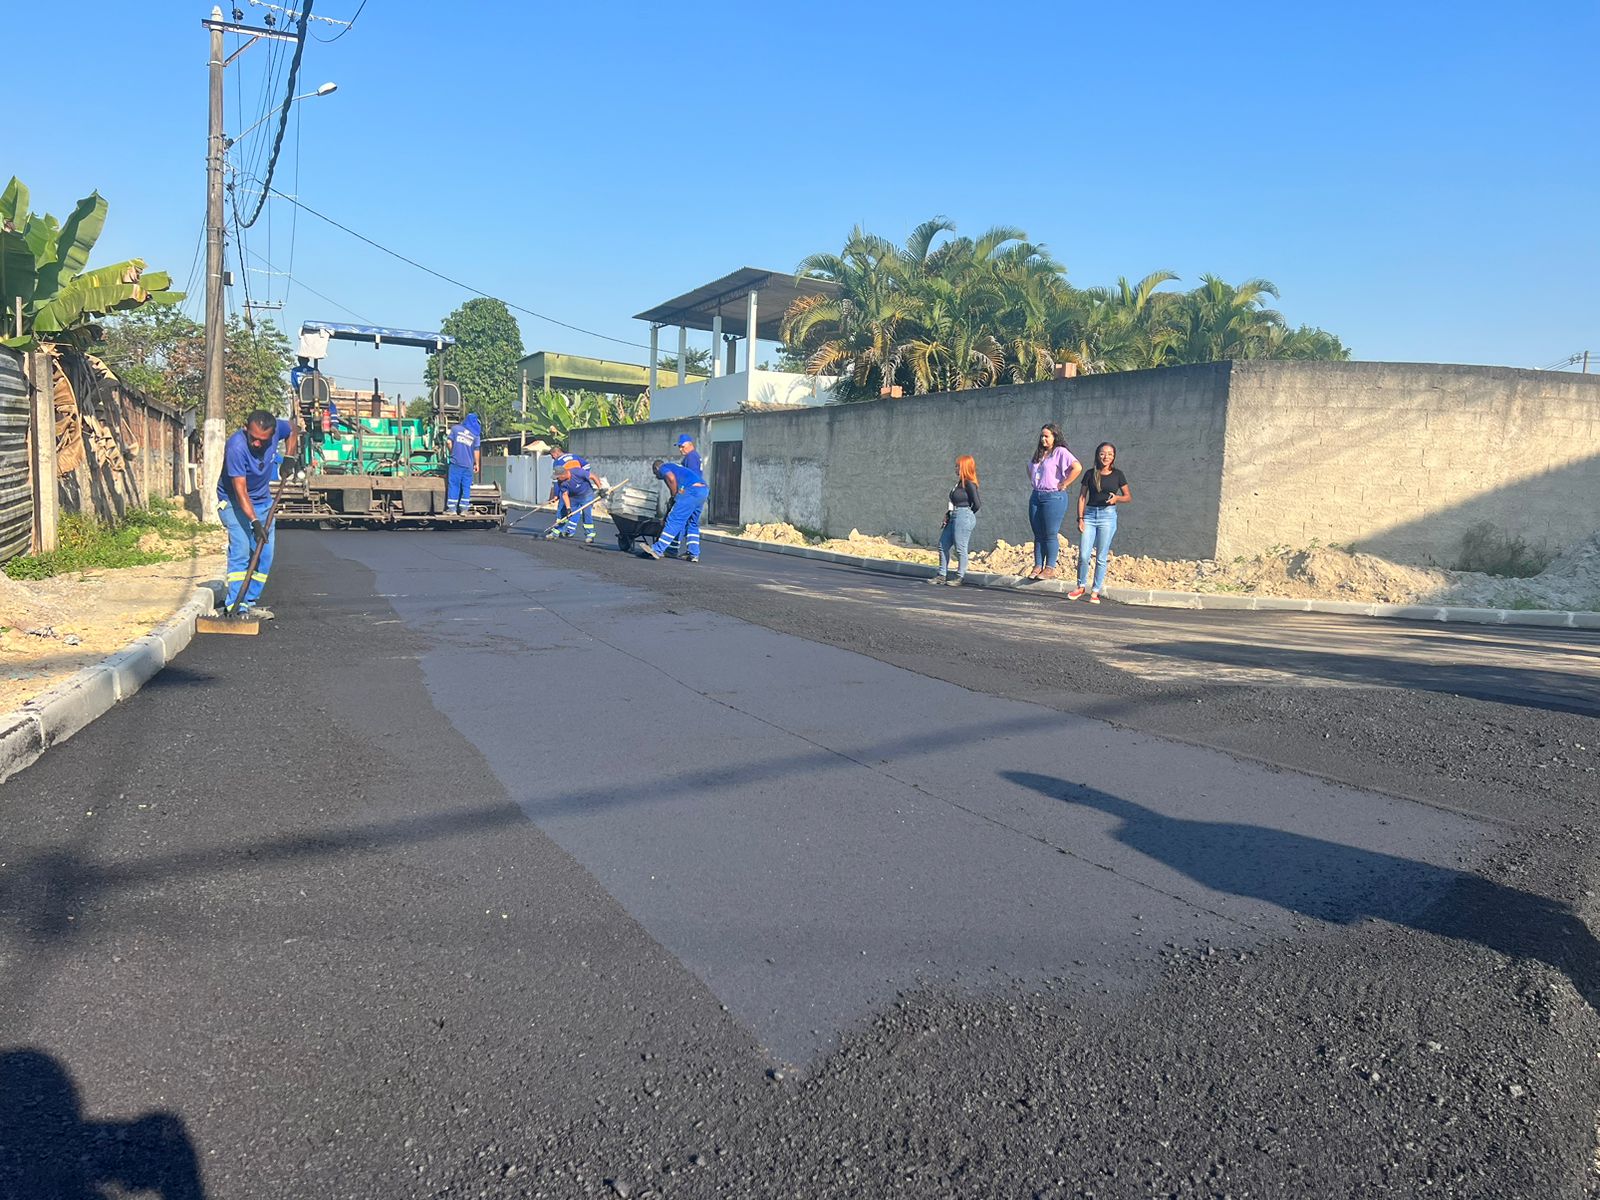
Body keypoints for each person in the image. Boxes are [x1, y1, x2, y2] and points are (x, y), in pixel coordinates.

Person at [218, 408, 298, 620]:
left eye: (263, 440)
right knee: (242, 550)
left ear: (272, 434)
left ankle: (249, 601)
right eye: (253, 438)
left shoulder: (278, 429)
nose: (257, 444)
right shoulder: (236, 447)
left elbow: (293, 429)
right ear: (245, 429)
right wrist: (254, 522)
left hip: (263, 502)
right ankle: (235, 606)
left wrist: (289, 457)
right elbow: (240, 490)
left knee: (265, 554)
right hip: (234, 502)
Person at [1070, 441, 1130, 603]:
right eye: (1103, 453)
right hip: (1090, 516)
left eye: (1110, 454)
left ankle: (1095, 590)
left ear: (1114, 457)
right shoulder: (1090, 474)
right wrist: (1080, 518)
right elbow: (1082, 497)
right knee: (1084, 555)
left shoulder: (1118, 475)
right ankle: (1081, 586)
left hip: (1107, 517)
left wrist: (1117, 498)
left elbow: (1128, 496)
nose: (1106, 457)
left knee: (1101, 557)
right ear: (1097, 455)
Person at [1025, 422, 1081, 580]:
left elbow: (1077, 467)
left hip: (1053, 497)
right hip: (1037, 495)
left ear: (1054, 437)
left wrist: (1065, 483)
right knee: (1038, 533)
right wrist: (1035, 481)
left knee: (1050, 533)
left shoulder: (1060, 452)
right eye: (1041, 436)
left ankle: (1050, 568)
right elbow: (1029, 467)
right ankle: (1038, 565)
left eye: (1046, 436)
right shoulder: (1039, 454)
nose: (1043, 439)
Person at [637, 458, 707, 562]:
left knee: (674, 520)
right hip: (703, 490)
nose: (656, 476)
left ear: (656, 468)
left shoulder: (663, 467)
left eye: (655, 473)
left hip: (690, 491)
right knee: (692, 523)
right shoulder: (675, 467)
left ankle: (657, 549)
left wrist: (675, 496)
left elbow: (671, 478)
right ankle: (692, 553)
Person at [931, 454, 980, 586]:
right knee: (943, 545)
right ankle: (942, 575)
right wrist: (948, 514)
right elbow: (954, 502)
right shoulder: (958, 484)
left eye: (958, 466)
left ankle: (960, 576)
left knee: (960, 547)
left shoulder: (969, 484)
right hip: (953, 515)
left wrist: (966, 515)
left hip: (963, 515)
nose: (956, 468)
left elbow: (977, 504)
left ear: (964, 467)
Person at [553, 458, 600, 542]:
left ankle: (590, 535)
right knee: (566, 514)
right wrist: (568, 508)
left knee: (586, 513)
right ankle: (556, 532)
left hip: (586, 495)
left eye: (558, 477)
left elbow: (593, 476)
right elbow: (565, 495)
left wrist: (601, 489)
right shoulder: (561, 482)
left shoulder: (577, 472)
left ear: (563, 475)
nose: (557, 479)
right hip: (573, 497)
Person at [445, 412, 482, 515]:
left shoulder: (455, 429)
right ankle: (464, 509)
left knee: (454, 485)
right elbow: (476, 451)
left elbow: (448, 442)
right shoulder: (476, 435)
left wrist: (452, 452)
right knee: (466, 486)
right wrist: (477, 464)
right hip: (468, 465)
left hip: (456, 463)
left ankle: (452, 509)